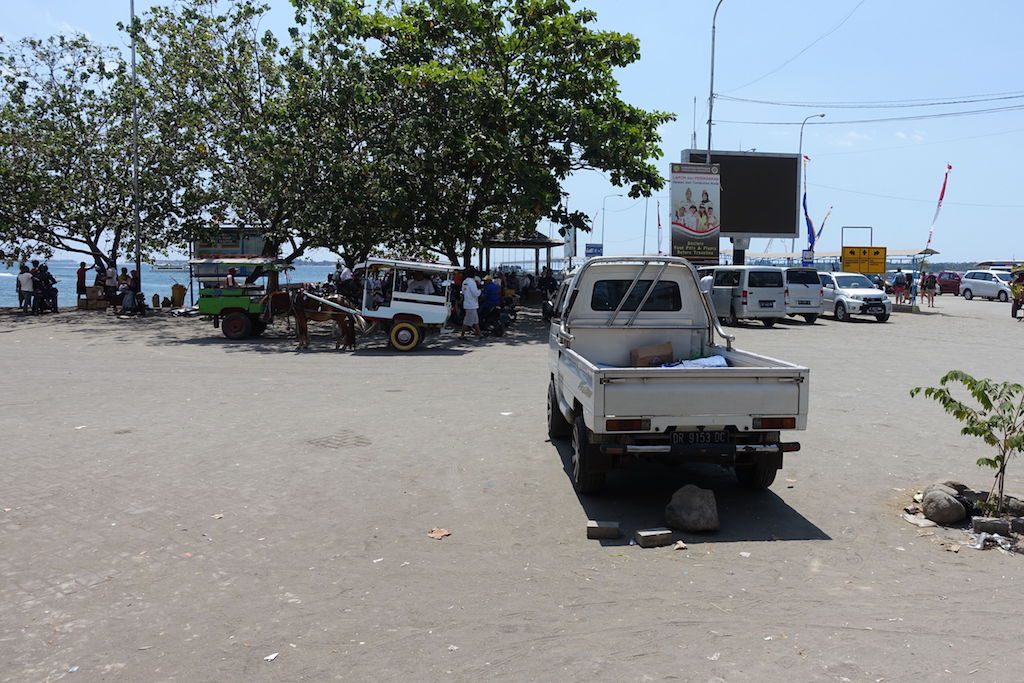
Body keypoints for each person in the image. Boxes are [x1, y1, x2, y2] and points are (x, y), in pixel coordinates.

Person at [460, 268, 481, 338]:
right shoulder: (472, 282)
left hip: (467, 303)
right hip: (472, 304)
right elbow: (475, 293)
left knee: (475, 320)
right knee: (467, 321)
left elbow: (463, 292)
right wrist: (480, 291)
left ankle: (479, 333)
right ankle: (462, 335)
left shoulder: (464, 281)